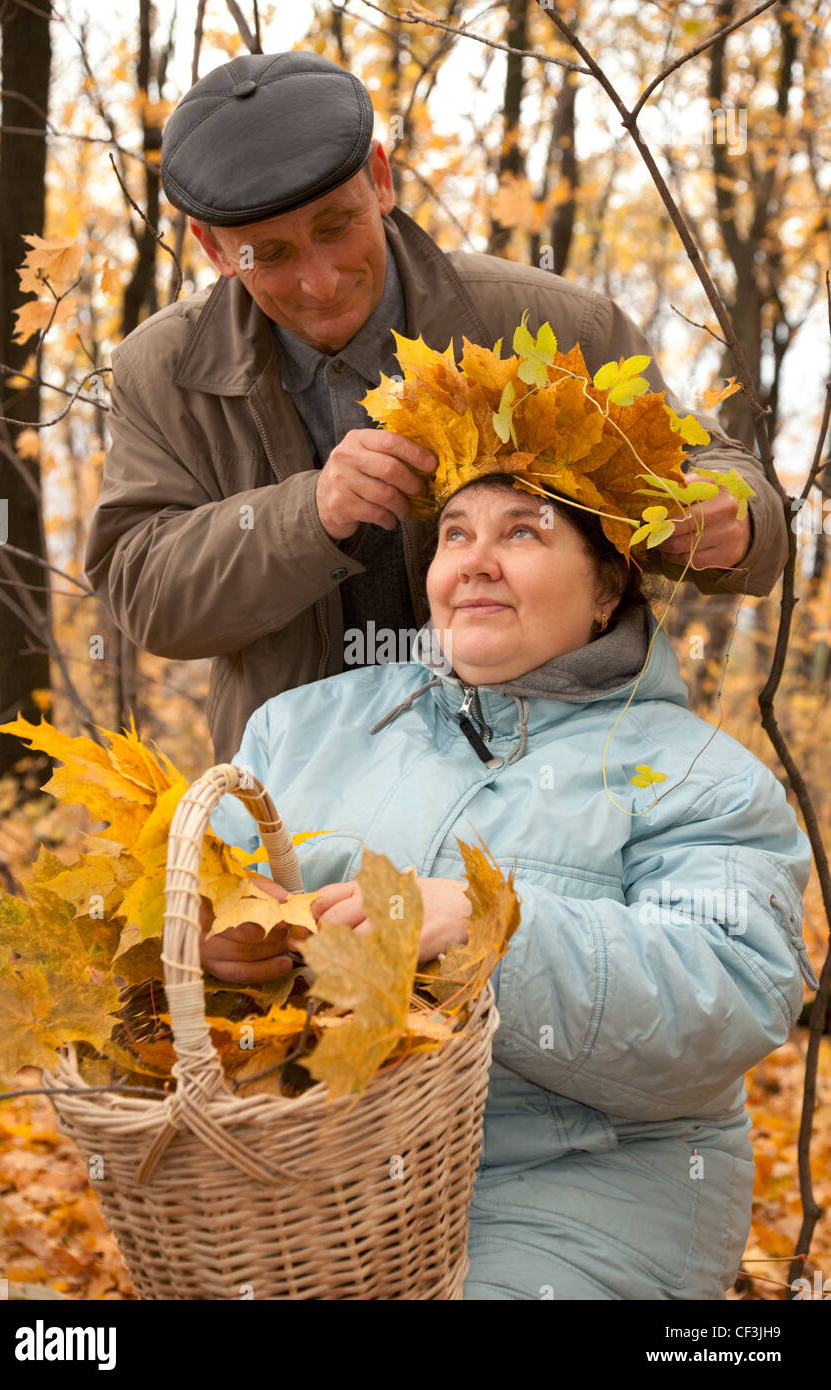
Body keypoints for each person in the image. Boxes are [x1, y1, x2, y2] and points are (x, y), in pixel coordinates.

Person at [201, 337, 816, 1300]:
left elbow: (731, 994)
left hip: (575, 1194)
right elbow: (194, 899)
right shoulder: (304, 726)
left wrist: (493, 931)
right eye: (454, 535)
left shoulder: (702, 778)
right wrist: (213, 944)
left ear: (609, 583)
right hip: (318, 1187)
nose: (475, 563)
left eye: (523, 533)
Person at [83, 50, 789, 767]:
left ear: (381, 181)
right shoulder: (164, 371)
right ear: (210, 247)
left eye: (335, 227)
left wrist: (735, 518)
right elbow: (143, 591)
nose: (319, 282)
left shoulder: (547, 324)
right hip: (300, 792)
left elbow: (711, 470)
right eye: (268, 254)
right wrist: (311, 513)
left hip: (554, 770)